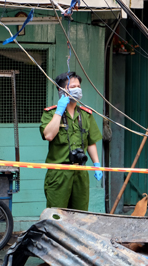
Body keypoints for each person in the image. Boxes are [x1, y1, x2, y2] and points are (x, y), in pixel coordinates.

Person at [40, 72, 103, 210]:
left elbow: (91, 141)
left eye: (78, 86)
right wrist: (59, 111)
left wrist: (97, 163)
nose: (77, 89)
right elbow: (49, 135)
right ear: (62, 90)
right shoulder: (51, 113)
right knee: (56, 215)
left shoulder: (86, 114)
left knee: (80, 215)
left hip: (80, 172)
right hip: (59, 173)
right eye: (73, 86)